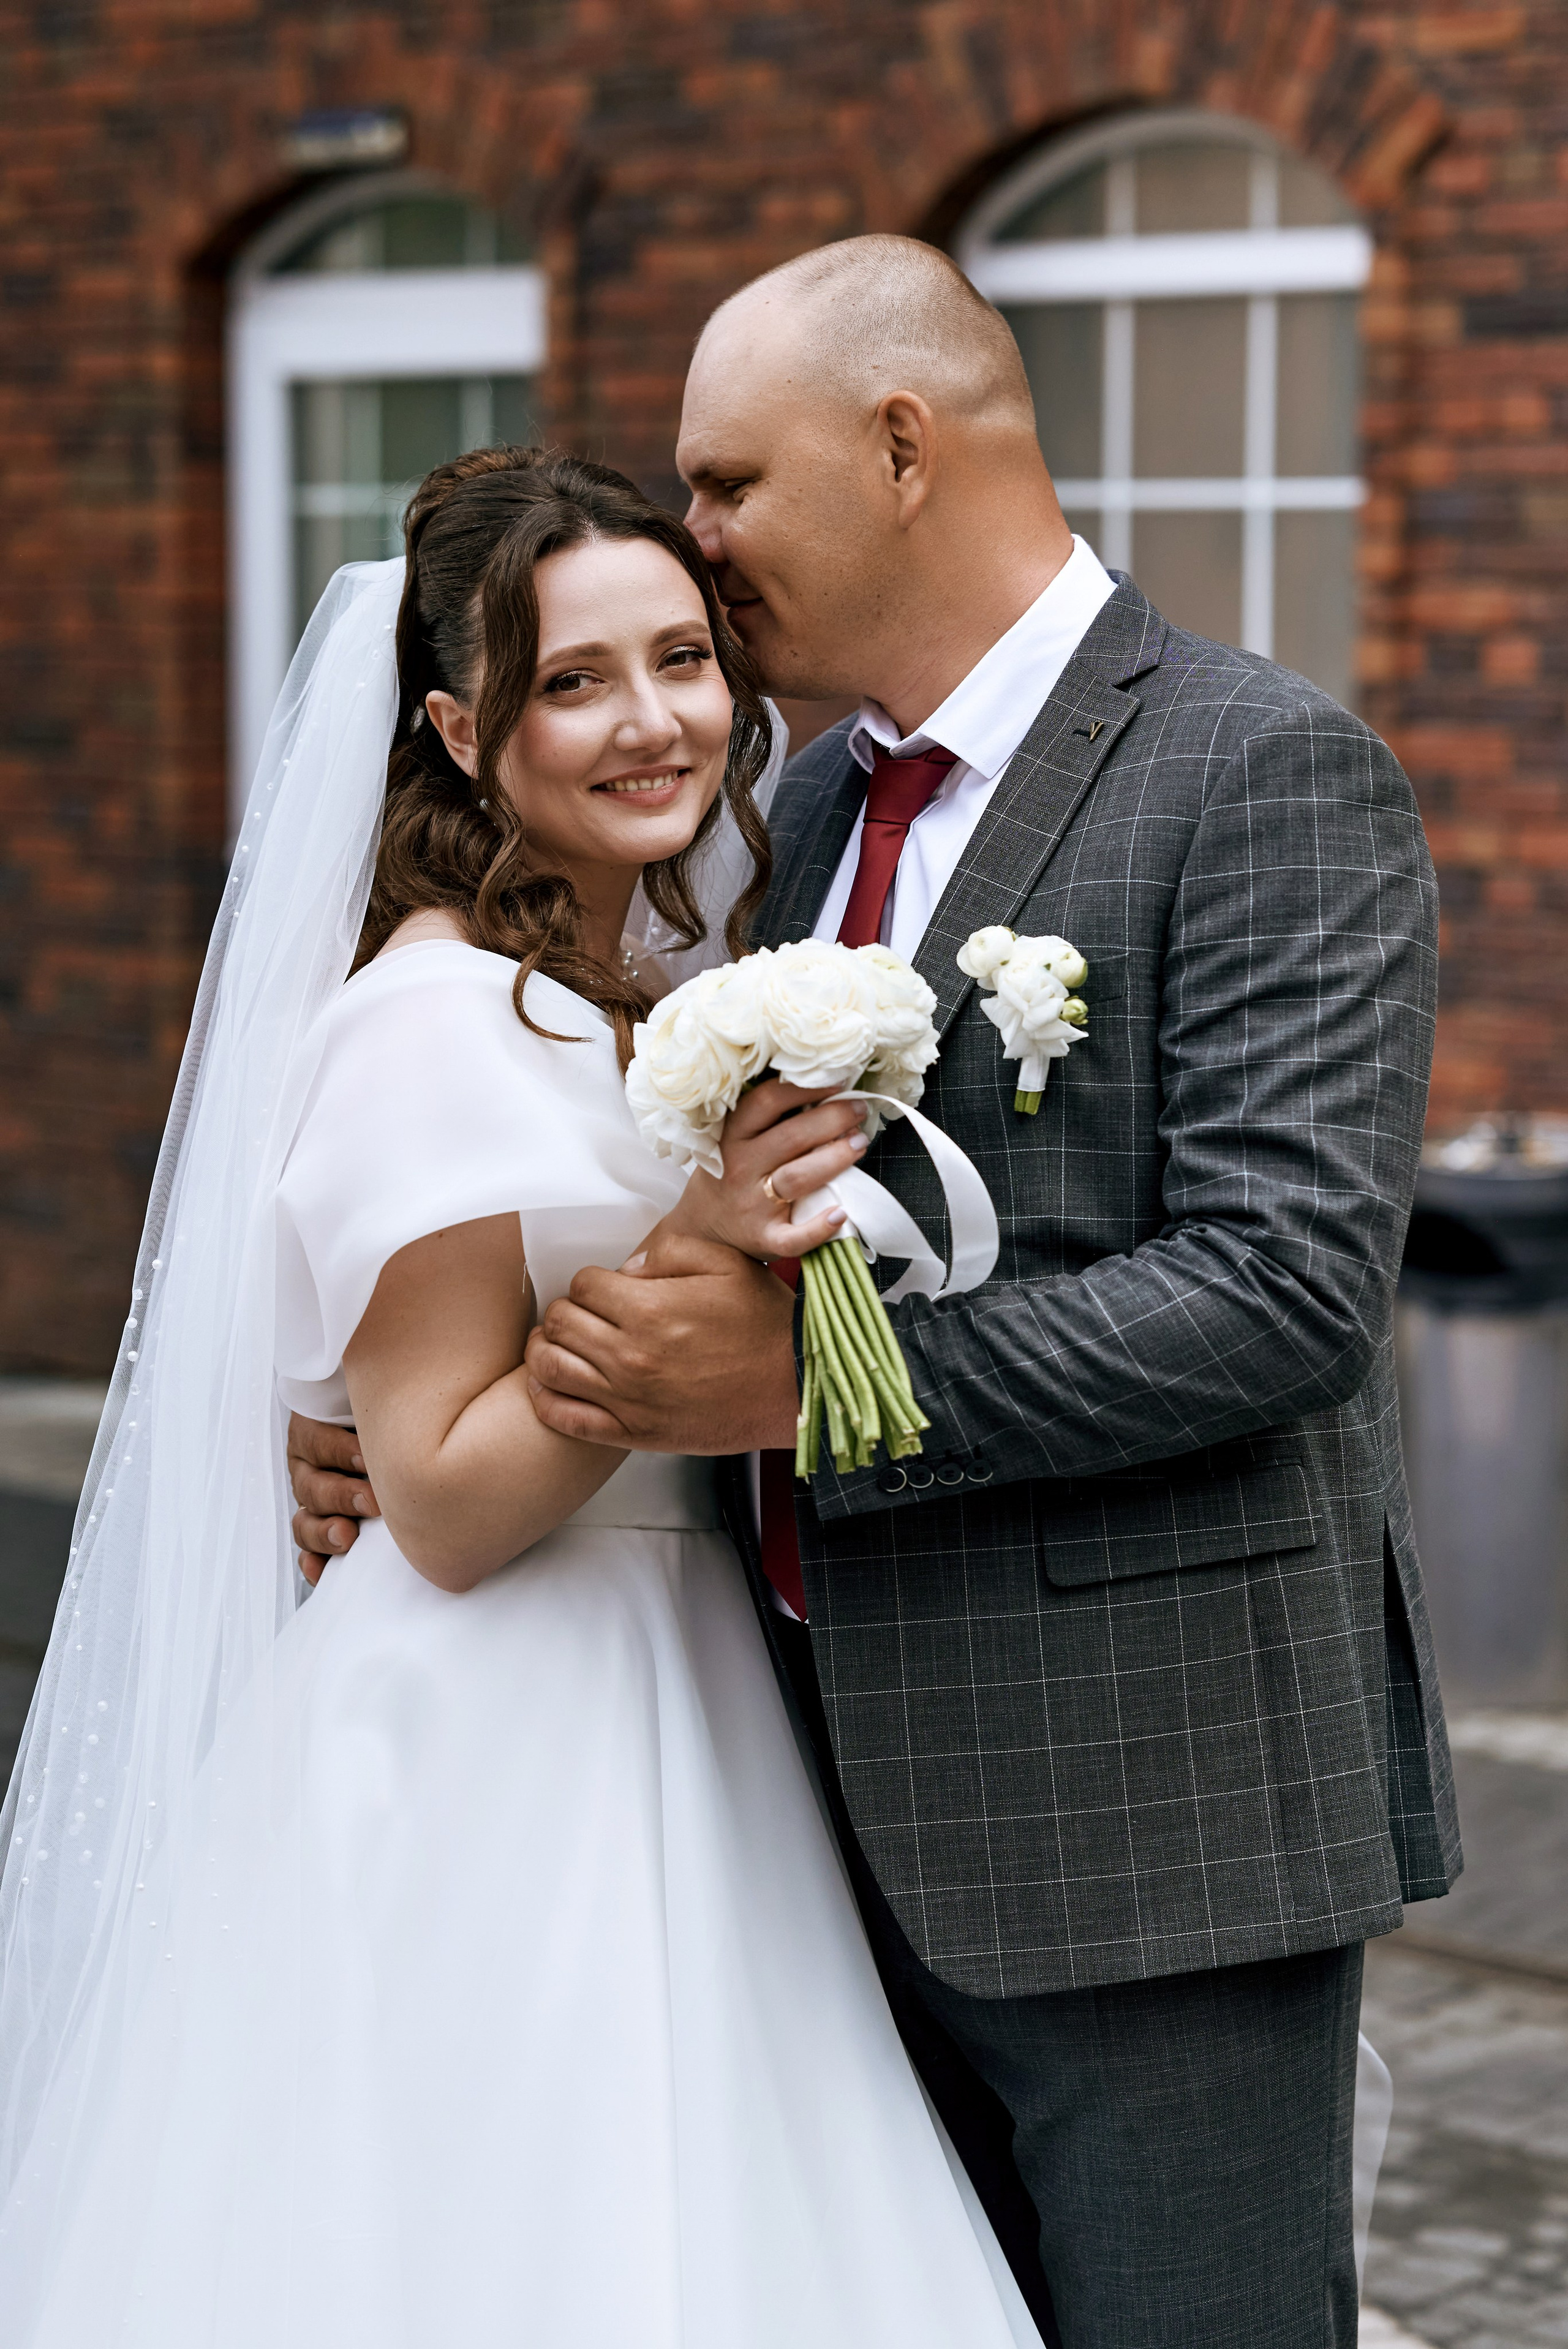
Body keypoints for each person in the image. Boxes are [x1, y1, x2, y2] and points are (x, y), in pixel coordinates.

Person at [292, 236, 1457, 2347]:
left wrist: (803, 1398)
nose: (696, 542)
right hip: (792, 1828)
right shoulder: (794, 814)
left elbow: (1288, 1289)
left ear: (900, 444)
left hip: (1145, 1832)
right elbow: (625, 1203)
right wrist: (408, 1412)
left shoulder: (1260, 771)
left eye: (724, 484)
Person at [0, 450, 1050, 2345]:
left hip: (681, 1678)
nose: (653, 720)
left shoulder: (631, 974)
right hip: (510, 1723)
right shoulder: (427, 1017)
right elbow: (452, 1499)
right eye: (576, 680)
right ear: (457, 728)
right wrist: (709, 1250)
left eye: (680, 658)